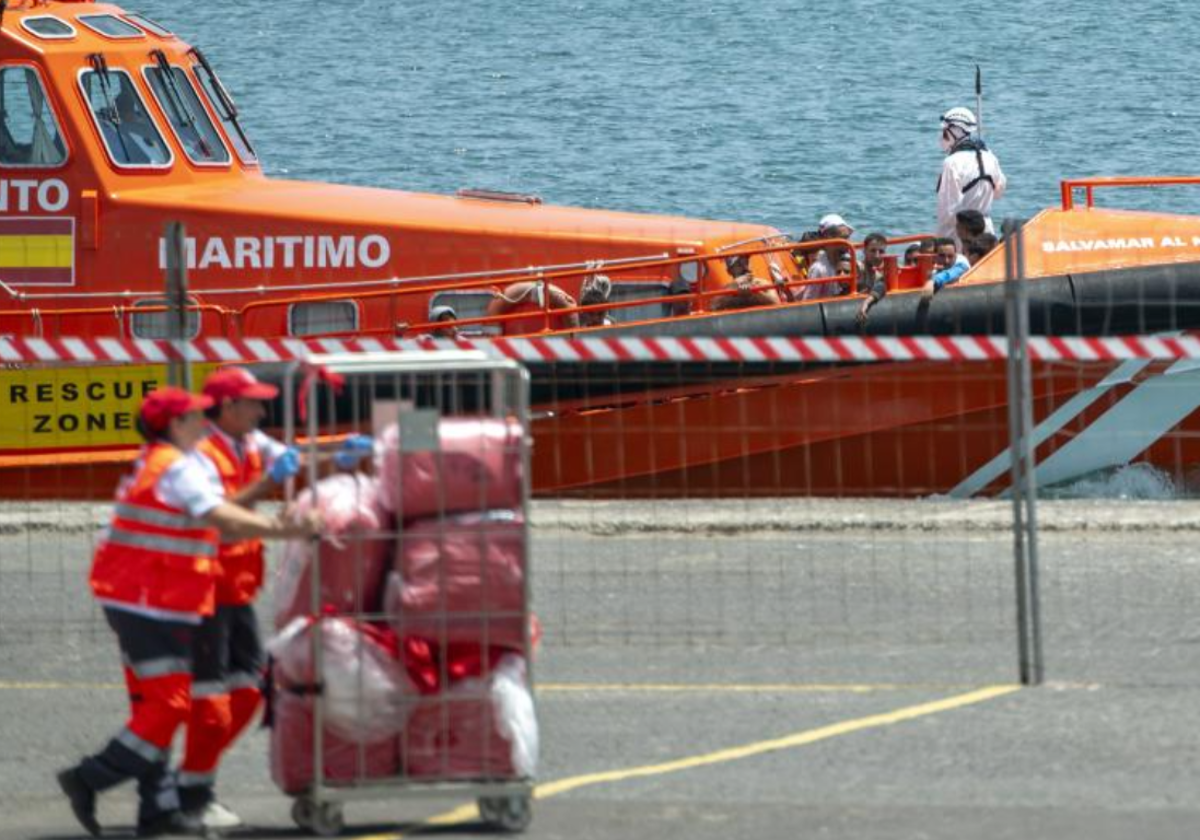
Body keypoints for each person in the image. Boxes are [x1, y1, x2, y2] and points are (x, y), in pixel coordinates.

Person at [57, 387, 318, 838]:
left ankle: (156, 813)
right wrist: (284, 528)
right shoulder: (175, 468)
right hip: (144, 600)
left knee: (161, 706)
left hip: (161, 598)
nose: (205, 422)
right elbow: (222, 518)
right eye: (197, 416)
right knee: (168, 706)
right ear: (177, 424)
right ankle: (90, 777)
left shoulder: (180, 461)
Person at [936, 107, 1006, 247]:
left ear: (955, 131)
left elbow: (948, 210)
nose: (942, 136)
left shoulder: (952, 162)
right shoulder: (990, 156)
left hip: (959, 236)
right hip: (986, 232)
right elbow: (999, 191)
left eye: (945, 132)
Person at [800, 213, 856, 301]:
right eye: (843, 238)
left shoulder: (850, 260)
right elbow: (808, 302)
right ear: (828, 237)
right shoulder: (819, 269)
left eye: (848, 238)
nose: (848, 243)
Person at [710, 255, 780, 311]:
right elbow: (714, 306)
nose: (745, 267)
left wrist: (754, 292)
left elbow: (775, 302)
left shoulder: (763, 283)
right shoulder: (727, 288)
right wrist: (736, 287)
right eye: (739, 265)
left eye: (746, 262)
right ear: (730, 271)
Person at [855, 233, 890, 324]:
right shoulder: (856, 268)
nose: (877, 255)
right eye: (873, 251)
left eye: (881, 252)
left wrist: (867, 301)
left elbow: (883, 285)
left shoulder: (881, 273)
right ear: (864, 251)